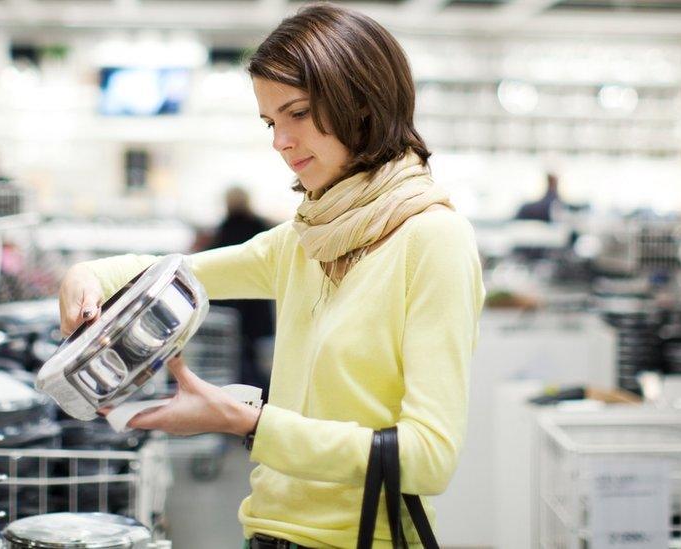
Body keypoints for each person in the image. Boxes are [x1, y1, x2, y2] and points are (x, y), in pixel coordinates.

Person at [58, 4, 484, 548]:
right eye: (270, 122)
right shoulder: (306, 238)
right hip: (265, 533)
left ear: (362, 100)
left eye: (298, 113)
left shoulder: (433, 240)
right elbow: (177, 273)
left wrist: (250, 424)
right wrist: (87, 273)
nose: (280, 141)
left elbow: (430, 459)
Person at [208, 186, 275, 400]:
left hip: (232, 305)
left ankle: (246, 396)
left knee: (236, 357)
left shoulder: (225, 228)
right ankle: (260, 396)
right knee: (252, 356)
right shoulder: (259, 226)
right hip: (255, 304)